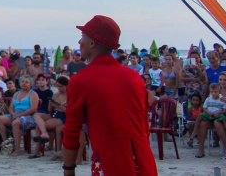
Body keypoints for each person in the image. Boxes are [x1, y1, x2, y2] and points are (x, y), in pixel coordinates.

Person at [61, 15, 157, 176]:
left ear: (92, 43)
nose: (79, 42)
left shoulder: (81, 80)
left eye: (82, 37)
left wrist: (68, 169)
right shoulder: (134, 77)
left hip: (111, 161)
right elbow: (144, 121)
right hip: (143, 160)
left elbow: (72, 130)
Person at [0, 75, 39, 157]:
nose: (24, 84)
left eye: (27, 82)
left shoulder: (33, 94)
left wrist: (19, 115)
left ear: (30, 84)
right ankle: (7, 144)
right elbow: (11, 107)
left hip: (27, 115)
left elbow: (33, 109)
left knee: (16, 122)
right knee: (0, 119)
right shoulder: (16, 93)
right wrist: (13, 114)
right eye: (22, 82)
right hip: (15, 114)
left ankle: (17, 149)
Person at [196, 82, 226, 159]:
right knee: (203, 123)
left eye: (224, 80)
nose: (223, 81)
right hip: (212, 116)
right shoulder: (210, 98)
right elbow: (205, 107)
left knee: (217, 123)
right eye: (221, 79)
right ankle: (201, 149)